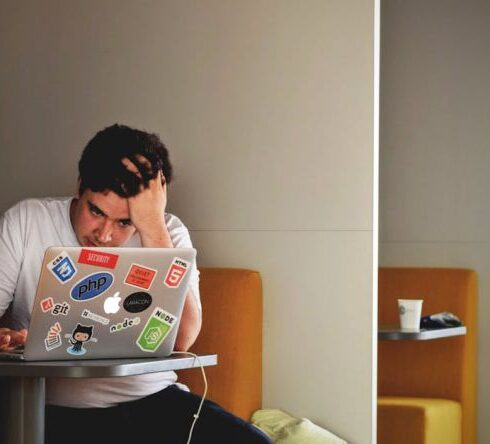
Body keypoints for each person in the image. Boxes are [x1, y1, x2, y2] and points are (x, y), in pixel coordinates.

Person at [0, 124, 271, 444]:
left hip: (150, 401)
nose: (104, 234)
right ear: (79, 186)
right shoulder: (27, 221)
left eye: (124, 222)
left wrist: (153, 228)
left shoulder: (168, 234)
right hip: (44, 407)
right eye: (95, 211)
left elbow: (183, 338)